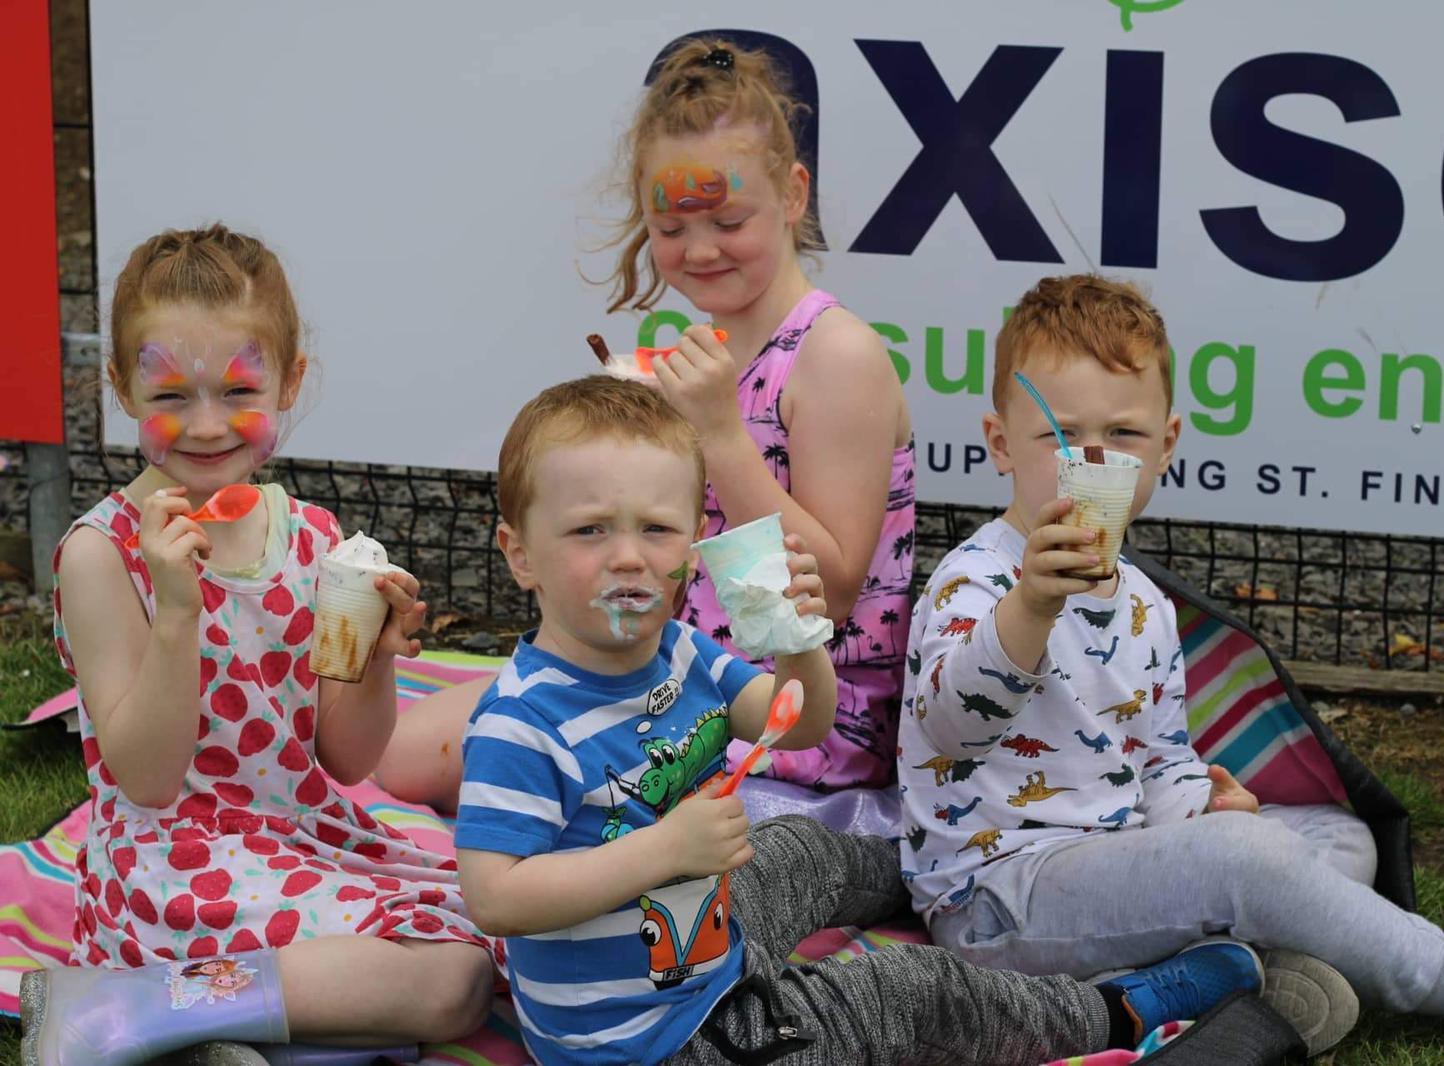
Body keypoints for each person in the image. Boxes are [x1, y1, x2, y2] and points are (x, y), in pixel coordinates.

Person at [454, 375, 1287, 1066]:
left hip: (706, 934)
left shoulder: (680, 653)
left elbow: (800, 724)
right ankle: (1115, 1012)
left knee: (800, 849)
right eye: (589, 530)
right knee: (907, 993)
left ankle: (941, 875)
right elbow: (496, 897)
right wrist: (664, 851)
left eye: (656, 529)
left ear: (693, 545)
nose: (628, 555)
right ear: (519, 553)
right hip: (657, 1041)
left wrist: (798, 640)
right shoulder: (522, 723)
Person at [899, 273, 1444, 1054]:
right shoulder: (977, 579)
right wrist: (1032, 605)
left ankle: (1235, 978)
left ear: (1167, 444)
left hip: (1116, 863)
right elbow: (953, 730)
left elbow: (1159, 762)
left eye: (1123, 435)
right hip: (1000, 904)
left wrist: (1204, 809)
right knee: (1254, 862)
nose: (1091, 460)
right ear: (1000, 442)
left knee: (1337, 835)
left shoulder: (1145, 601)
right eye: (1059, 436)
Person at [377, 36, 914, 813]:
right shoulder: (712, 348)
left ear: (795, 195)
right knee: (398, 757)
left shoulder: (837, 355)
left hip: (792, 721)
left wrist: (719, 435)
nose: (700, 249)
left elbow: (828, 592)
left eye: (728, 219)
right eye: (671, 226)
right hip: (663, 672)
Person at [22, 225, 498, 1066]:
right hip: (170, 871)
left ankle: (203, 1025)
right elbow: (147, 778)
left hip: (295, 837)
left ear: (290, 380)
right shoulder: (103, 554)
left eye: (239, 389)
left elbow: (347, 759)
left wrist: (376, 659)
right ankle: (129, 1007)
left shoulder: (313, 539)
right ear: (122, 388)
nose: (206, 425)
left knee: (478, 948)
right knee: (447, 983)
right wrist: (178, 610)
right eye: (171, 395)